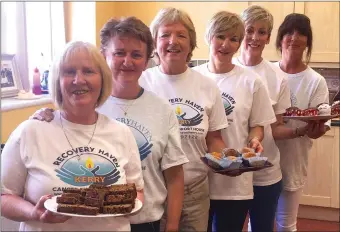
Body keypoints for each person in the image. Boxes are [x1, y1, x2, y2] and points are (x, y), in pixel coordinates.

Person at [29, 17, 188, 232]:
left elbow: (175, 175)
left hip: (146, 220)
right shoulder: (84, 103)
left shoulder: (162, 110)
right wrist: (47, 114)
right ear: (104, 55)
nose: (128, 61)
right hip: (97, 224)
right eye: (119, 53)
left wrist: (172, 226)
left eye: (136, 54)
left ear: (147, 59)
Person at [1, 41, 144, 231]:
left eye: (88, 71)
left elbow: (137, 191)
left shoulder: (121, 133)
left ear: (102, 80)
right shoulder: (30, 131)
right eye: (69, 72)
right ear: (57, 81)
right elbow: (4, 197)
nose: (78, 80)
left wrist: (129, 207)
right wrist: (34, 214)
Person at [140, 7, 229, 232]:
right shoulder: (141, 83)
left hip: (195, 192)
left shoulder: (208, 87)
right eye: (165, 35)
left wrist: (226, 159)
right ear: (154, 43)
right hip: (152, 190)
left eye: (181, 35)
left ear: (191, 44)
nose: (173, 41)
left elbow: (214, 138)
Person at [193, 11, 276, 232]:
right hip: (196, 182)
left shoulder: (252, 81)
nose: (226, 44)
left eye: (233, 38)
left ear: (239, 43)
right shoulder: (193, 78)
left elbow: (257, 125)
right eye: (220, 36)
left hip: (235, 184)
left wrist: (255, 141)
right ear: (208, 37)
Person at [232, 5, 292, 231]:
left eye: (262, 31)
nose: (255, 37)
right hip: (230, 171)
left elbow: (276, 128)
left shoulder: (277, 77)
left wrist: (302, 130)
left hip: (265, 173)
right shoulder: (223, 69)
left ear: (268, 38)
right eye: (249, 30)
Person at [274, 13, 330, 232]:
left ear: (308, 41)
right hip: (263, 160)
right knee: (257, 223)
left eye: (301, 33)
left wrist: (314, 129)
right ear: (280, 38)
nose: (294, 37)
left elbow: (319, 128)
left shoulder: (315, 81)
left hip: (293, 161)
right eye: (289, 32)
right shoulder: (266, 72)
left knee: (287, 225)